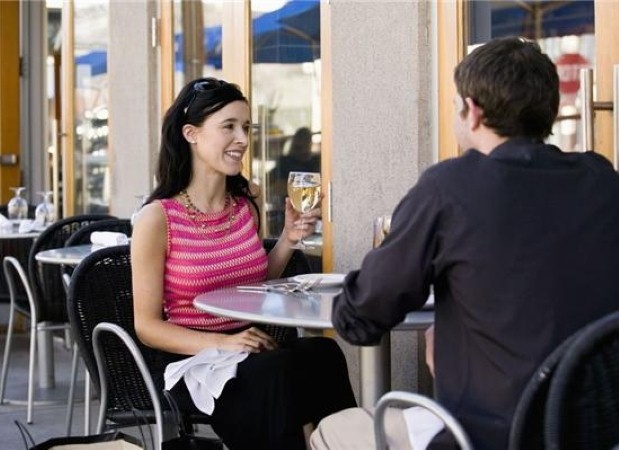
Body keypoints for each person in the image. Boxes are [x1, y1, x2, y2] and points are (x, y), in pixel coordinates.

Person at [310, 37, 619, 450]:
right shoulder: (601, 180)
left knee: (331, 432)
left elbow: (362, 318)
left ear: (472, 111)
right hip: (595, 431)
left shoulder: (450, 188)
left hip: (487, 434)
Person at [131, 77, 356, 450]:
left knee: (323, 354)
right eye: (229, 127)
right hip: (192, 359)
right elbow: (147, 327)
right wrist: (224, 342)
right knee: (276, 373)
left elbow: (250, 284)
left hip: (247, 346)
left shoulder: (246, 200)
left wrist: (288, 239)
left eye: (247, 127)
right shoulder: (157, 219)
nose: (243, 139)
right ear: (191, 133)